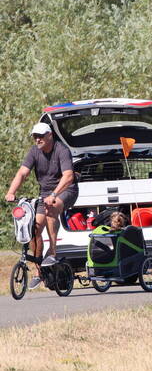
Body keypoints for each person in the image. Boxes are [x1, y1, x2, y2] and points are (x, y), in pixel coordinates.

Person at [5, 122, 79, 288]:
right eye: (35, 136)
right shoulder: (34, 152)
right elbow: (22, 173)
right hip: (45, 194)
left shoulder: (61, 150)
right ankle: (39, 270)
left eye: (40, 136)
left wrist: (53, 194)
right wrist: (11, 192)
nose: (37, 139)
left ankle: (52, 252)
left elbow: (68, 176)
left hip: (66, 190)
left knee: (51, 208)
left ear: (50, 135)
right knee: (34, 228)